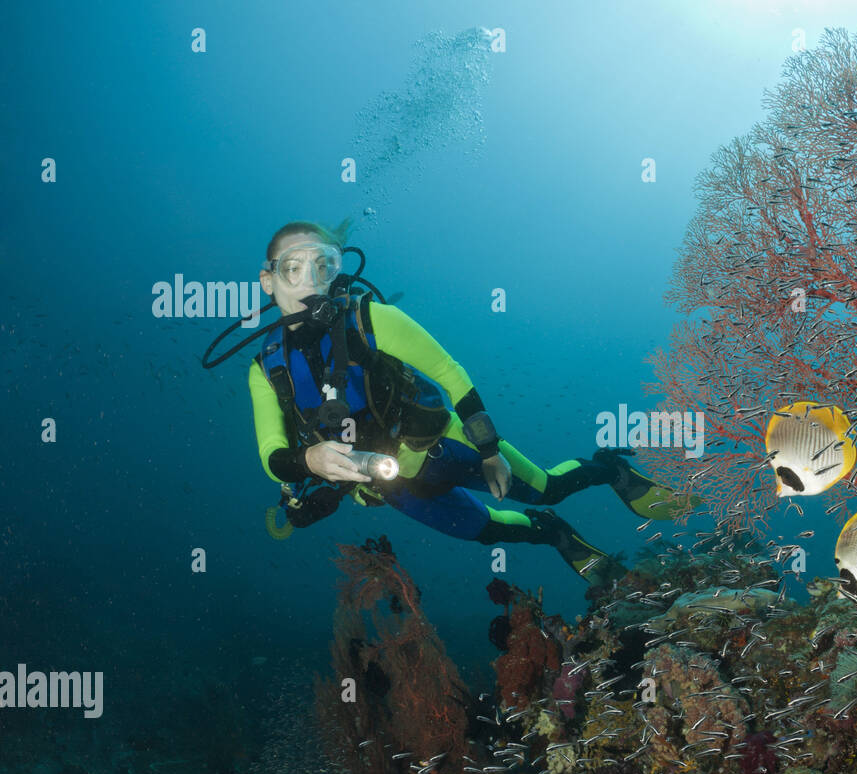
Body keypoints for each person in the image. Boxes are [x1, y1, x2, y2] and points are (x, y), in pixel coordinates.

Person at [245, 221, 689, 582]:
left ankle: (610, 467)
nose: (310, 280)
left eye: (322, 266)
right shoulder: (265, 368)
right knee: (486, 530)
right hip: (392, 485)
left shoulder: (369, 319)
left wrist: (490, 450)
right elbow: (272, 455)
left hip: (442, 442)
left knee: (546, 488)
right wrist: (310, 461)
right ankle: (554, 534)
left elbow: (449, 374)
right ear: (268, 280)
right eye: (292, 268)